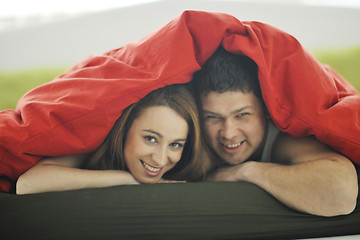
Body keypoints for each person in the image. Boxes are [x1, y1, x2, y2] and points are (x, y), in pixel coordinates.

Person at [191, 45, 359, 217]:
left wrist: (245, 171)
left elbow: (341, 194)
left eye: (242, 115)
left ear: (266, 111)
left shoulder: (284, 140)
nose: (228, 133)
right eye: (212, 117)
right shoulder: (192, 133)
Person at [16, 84, 203, 194]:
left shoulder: (188, 163)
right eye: (150, 139)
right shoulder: (94, 142)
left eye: (175, 144)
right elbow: (27, 184)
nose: (161, 159)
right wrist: (126, 179)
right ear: (125, 127)